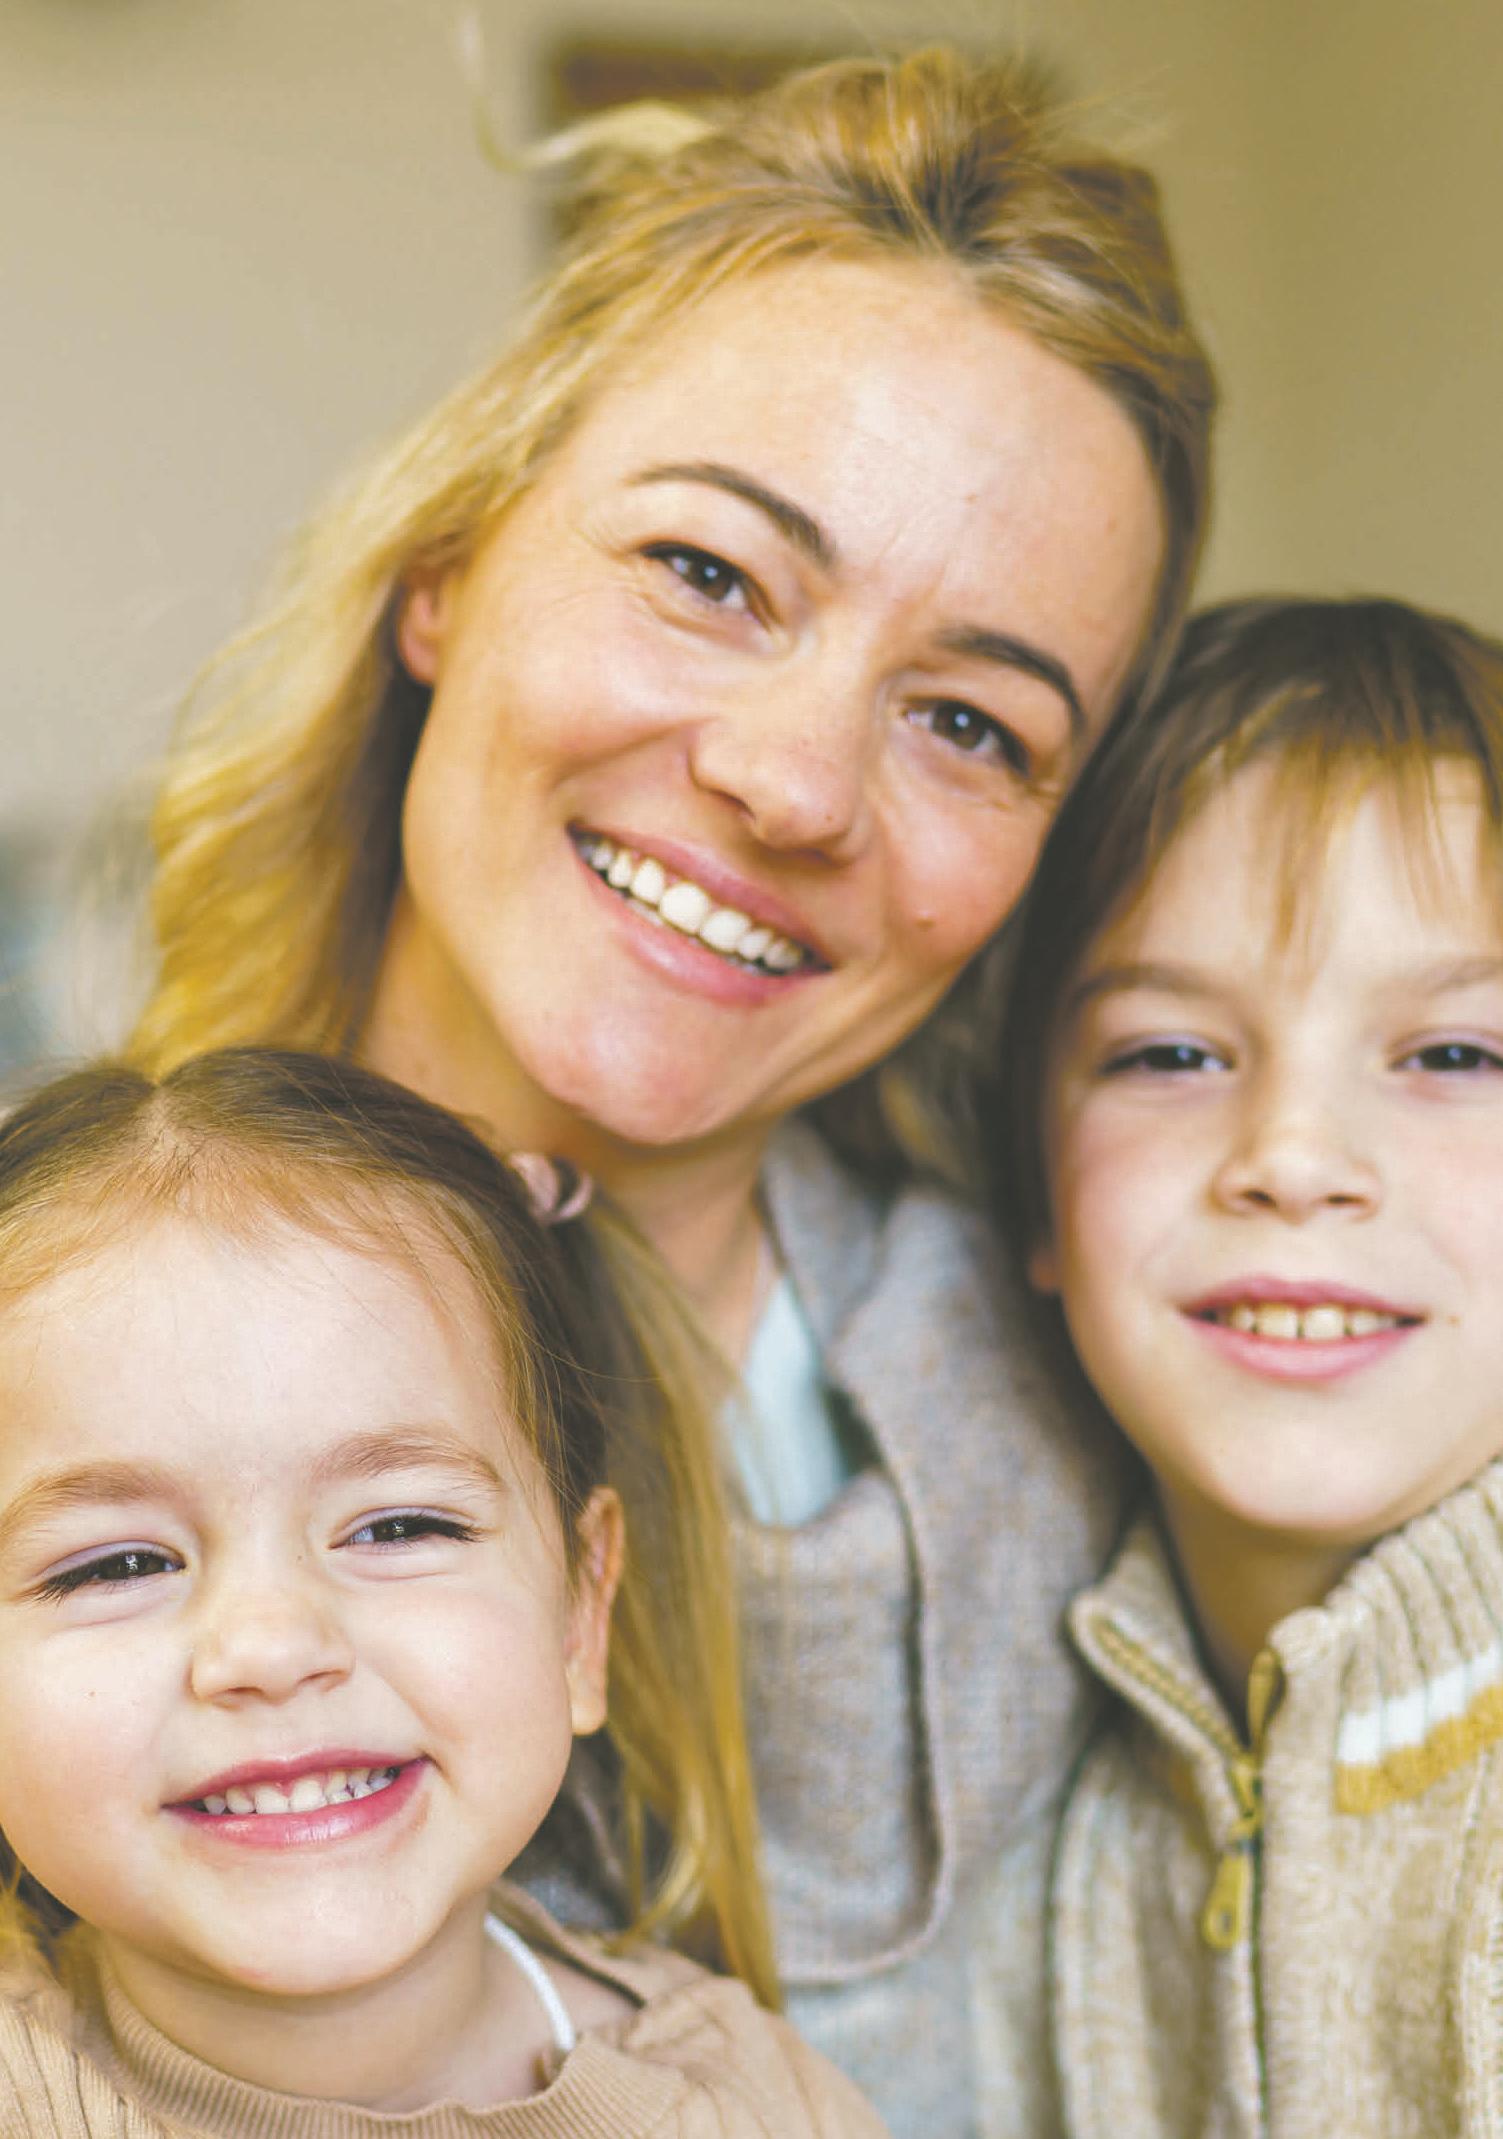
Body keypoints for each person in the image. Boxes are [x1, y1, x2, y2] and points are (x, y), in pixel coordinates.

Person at [125, 46, 1217, 2129]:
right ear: (447, 565)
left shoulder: (1118, 1405)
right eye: (710, 575)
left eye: (970, 722)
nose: (793, 781)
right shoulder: (44, 1338)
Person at [0, 1047, 887, 2138]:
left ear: (580, 1616)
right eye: (117, 1565)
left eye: (399, 1526)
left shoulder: (759, 2109)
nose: (272, 1647)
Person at [987, 595, 1503, 2134]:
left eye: (1456, 1054)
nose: (1290, 1153)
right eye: (1170, 1052)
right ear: (1034, 1191)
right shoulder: (1081, 1788)